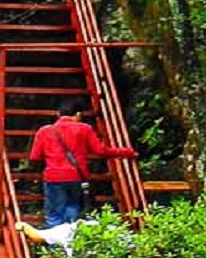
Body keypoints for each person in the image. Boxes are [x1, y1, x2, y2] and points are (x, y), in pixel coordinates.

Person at [25, 97, 135, 226]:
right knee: (73, 209)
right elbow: (100, 151)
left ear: (58, 114)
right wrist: (125, 152)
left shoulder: (44, 131)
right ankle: (73, 241)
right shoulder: (85, 129)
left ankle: (57, 244)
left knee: (54, 214)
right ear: (78, 114)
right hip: (77, 176)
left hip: (53, 177)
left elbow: (34, 157)